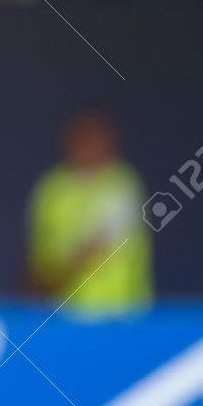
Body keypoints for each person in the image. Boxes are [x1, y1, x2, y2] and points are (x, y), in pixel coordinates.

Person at [26, 109, 152, 312]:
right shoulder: (52, 187)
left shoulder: (122, 183)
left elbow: (98, 245)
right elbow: (40, 255)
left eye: (94, 137)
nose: (88, 145)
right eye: (81, 137)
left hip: (122, 313)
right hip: (65, 315)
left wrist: (64, 268)